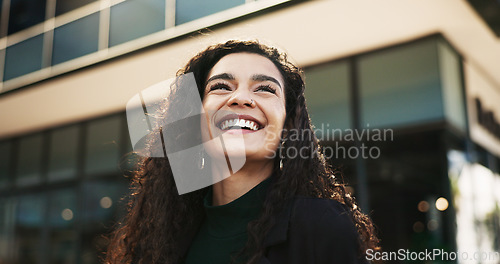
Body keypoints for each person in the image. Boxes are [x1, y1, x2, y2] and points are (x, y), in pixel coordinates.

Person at [105, 40, 379, 264]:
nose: (241, 98)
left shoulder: (322, 226)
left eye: (265, 89)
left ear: (287, 126)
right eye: (221, 87)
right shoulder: (163, 238)